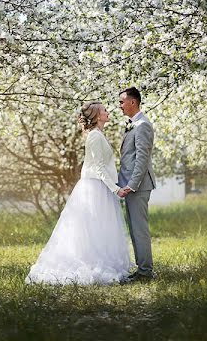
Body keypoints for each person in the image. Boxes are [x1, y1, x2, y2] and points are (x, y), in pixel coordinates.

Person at [25, 102, 132, 285]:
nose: (108, 112)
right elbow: (98, 167)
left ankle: (100, 261)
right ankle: (89, 264)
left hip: (98, 186)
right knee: (92, 228)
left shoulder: (97, 135)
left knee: (98, 229)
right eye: (104, 110)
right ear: (98, 116)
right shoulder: (95, 137)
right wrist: (115, 189)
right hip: (95, 187)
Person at [117, 86, 156, 283]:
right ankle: (142, 269)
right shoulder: (133, 124)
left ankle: (146, 272)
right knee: (134, 229)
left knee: (139, 230)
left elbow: (142, 159)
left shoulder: (142, 126)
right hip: (129, 185)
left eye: (122, 102)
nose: (120, 106)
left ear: (133, 102)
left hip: (138, 186)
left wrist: (131, 185)